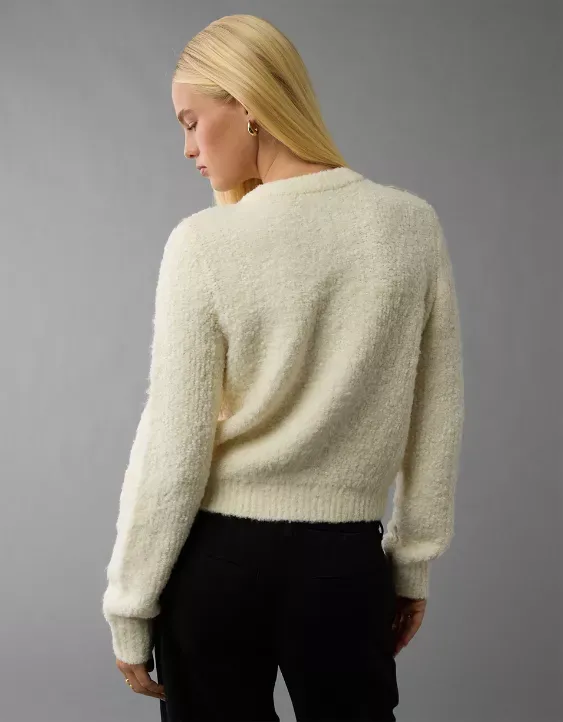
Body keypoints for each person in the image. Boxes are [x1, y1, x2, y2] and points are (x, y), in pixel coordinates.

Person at [102, 12, 465, 722]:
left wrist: (130, 601)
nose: (187, 148)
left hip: (216, 564)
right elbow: (437, 412)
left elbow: (173, 444)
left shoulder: (204, 243)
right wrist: (411, 563)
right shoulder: (409, 225)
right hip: (344, 568)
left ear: (247, 105)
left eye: (191, 122)